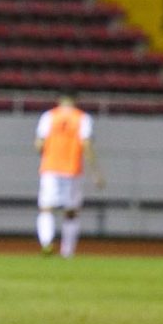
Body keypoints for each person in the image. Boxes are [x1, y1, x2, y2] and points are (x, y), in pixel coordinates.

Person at [35, 90, 105, 258]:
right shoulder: (82, 118)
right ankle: (67, 252)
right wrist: (96, 172)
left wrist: (49, 153)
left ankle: (46, 243)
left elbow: (39, 144)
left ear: (59, 100)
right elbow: (86, 145)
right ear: (76, 100)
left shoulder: (48, 116)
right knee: (71, 211)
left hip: (50, 168)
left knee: (46, 208)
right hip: (72, 169)